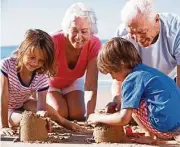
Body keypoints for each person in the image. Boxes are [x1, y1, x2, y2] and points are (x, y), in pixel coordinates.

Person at [87, 37, 180, 142]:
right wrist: (119, 103)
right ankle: (153, 135)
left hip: (164, 128)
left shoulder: (131, 79)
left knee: (133, 105)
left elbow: (123, 119)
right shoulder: (146, 71)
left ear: (121, 63)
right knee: (132, 101)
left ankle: (151, 136)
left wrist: (97, 117)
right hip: (177, 126)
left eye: (111, 72)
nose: (113, 78)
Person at [0, 29, 89, 136]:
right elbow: (3, 98)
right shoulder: (7, 65)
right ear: (22, 51)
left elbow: (41, 108)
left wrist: (42, 117)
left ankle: (63, 122)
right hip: (5, 108)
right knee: (25, 121)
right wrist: (4, 126)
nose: (35, 63)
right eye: (32, 57)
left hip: (23, 103)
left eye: (41, 60)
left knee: (42, 114)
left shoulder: (40, 75)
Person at [110, 0, 180, 113]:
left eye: (142, 32)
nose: (138, 40)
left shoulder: (176, 29)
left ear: (156, 20)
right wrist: (117, 97)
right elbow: (118, 71)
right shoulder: (122, 34)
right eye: (132, 34)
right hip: (142, 81)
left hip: (172, 79)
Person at [47, 2, 101, 121]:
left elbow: (91, 84)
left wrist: (90, 117)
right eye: (74, 30)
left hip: (72, 81)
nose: (78, 37)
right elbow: (36, 72)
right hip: (49, 83)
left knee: (77, 115)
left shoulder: (94, 44)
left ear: (91, 31)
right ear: (67, 29)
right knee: (60, 112)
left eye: (84, 31)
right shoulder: (52, 40)